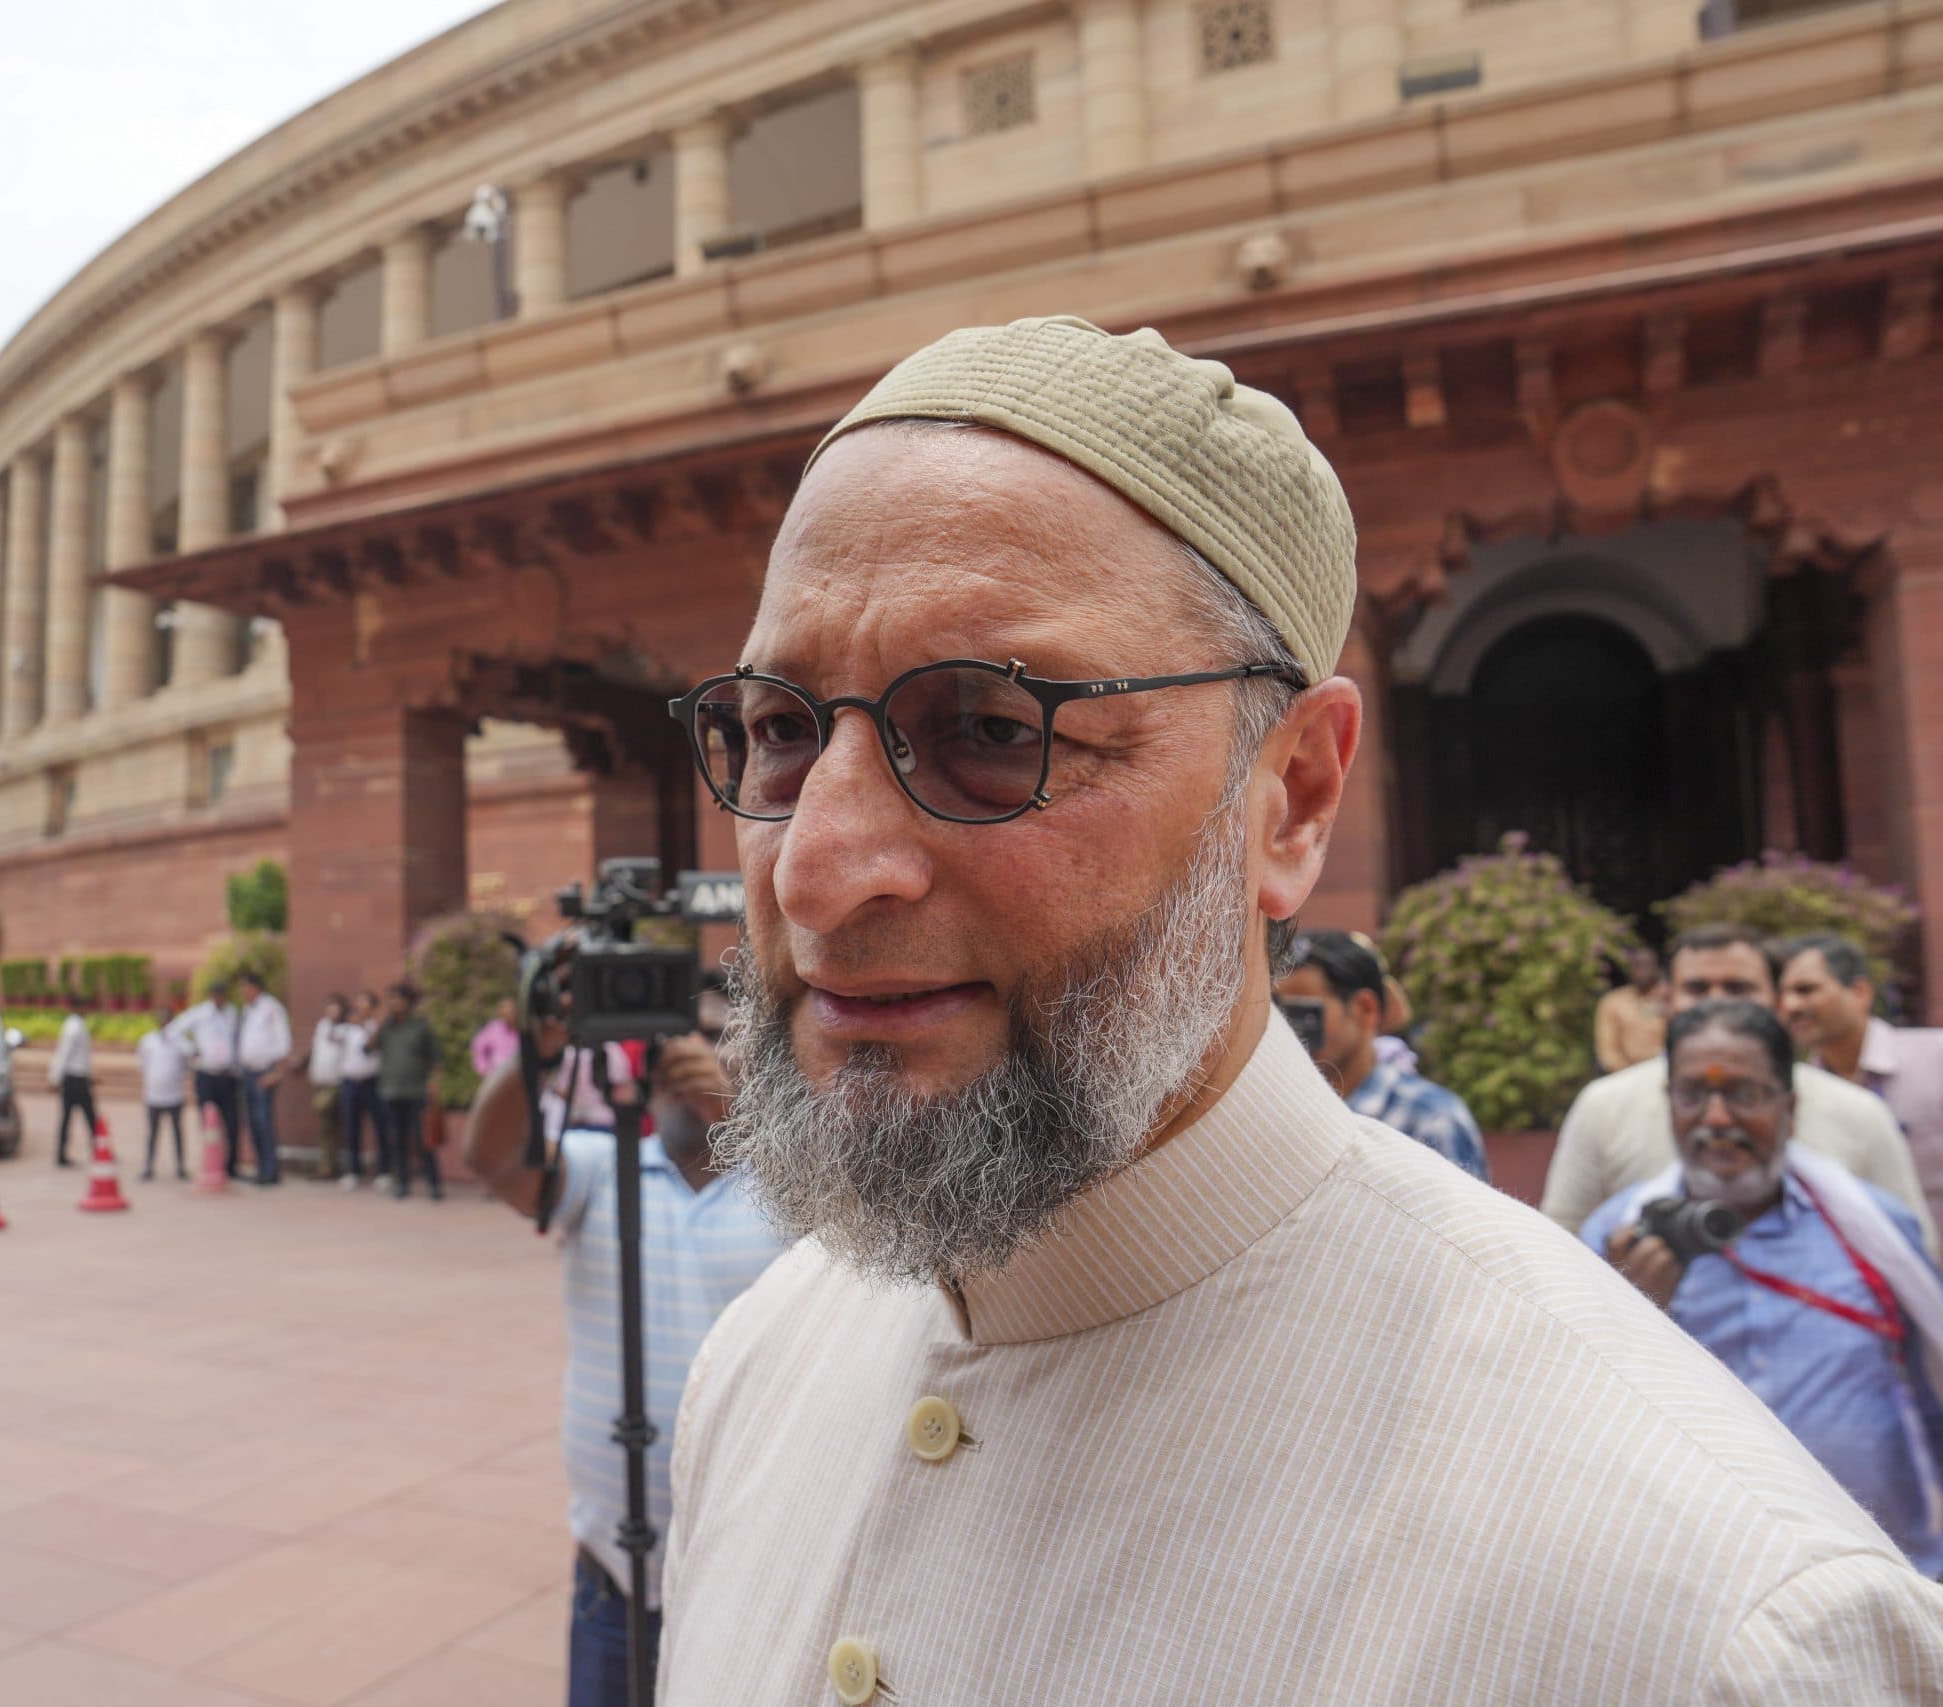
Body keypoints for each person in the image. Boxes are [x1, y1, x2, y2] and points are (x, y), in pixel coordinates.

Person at [654, 317, 1943, 1703]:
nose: (817, 869)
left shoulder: (1711, 1620)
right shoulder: (762, 1364)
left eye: (990, 727)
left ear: (1294, 797)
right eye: (782, 728)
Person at [465, 1017, 789, 1707]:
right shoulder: (599, 1165)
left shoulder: (793, 1185)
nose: (691, 1053)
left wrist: (744, 1116)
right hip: (617, 1579)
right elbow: (489, 1156)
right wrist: (541, 1044)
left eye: (717, 1032)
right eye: (675, 1035)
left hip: (760, 1573)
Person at [1583, 1000, 1943, 1574]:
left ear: (1790, 1109)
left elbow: (1931, 1392)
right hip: (1701, 1584)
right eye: (1693, 1094)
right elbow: (1579, 1425)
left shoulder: (1874, 1231)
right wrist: (1630, 1317)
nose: (1717, 1118)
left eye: (1744, 1095)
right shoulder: (1614, 1244)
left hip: (1887, 1573)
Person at [1539, 924, 1932, 1250]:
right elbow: (1559, 1249)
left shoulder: (1857, 1111)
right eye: (1697, 988)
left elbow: (1909, 1255)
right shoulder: (1605, 1106)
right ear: (1668, 999)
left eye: (1738, 988)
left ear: (1778, 1001)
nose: (1718, 1003)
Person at [1277, 929, 1488, 1181]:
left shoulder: (1432, 1120)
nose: (1288, 1027)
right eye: (1279, 1010)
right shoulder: (1280, 1113)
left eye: (1305, 1013)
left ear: (1364, 1010)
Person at [1783, 931, 1943, 1237]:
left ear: (1859, 993)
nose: (1790, 1005)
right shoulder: (1797, 1095)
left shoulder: (1935, 1060)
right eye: (1784, 992)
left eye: (1806, 990)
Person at [373, 984, 440, 1201]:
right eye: (390, 999)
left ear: (409, 1002)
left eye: (397, 999)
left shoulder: (421, 1027)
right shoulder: (386, 1028)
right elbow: (368, 1048)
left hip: (416, 1091)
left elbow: (436, 1059)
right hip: (391, 1091)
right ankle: (402, 1183)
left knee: (423, 1140)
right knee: (398, 1140)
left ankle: (434, 1184)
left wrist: (434, 1084)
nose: (393, 1003)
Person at [172, 982, 243, 1182]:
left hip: (227, 1075)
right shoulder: (199, 1013)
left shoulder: (232, 1013)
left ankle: (231, 1166)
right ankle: (211, 1162)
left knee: (232, 1122)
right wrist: (192, 1050)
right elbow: (173, 1031)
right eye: (217, 995)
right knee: (208, 1122)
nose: (220, 998)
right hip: (206, 1074)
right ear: (212, 996)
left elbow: (237, 1041)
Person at [233, 969, 293, 1186]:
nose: (242, 991)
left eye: (244, 986)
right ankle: (261, 1168)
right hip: (248, 1072)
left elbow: (283, 1041)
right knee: (253, 1123)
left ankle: (270, 1170)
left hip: (265, 1072)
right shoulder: (248, 1010)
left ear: (255, 987)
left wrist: (276, 1073)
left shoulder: (272, 1008)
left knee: (264, 1121)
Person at [135, 1005, 192, 1182]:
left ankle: (181, 1167)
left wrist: (176, 1037)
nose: (165, 1023)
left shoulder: (180, 1042)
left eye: (169, 1020)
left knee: (177, 1132)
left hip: (174, 1095)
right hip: (154, 1095)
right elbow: (142, 1065)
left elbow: (189, 1057)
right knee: (153, 1133)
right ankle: (148, 1167)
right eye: (163, 1019)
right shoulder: (148, 1041)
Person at [1595, 943, 1668, 1072]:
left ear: (1658, 968)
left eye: (1646, 965)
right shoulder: (1613, 1002)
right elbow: (1608, 1053)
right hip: (1625, 1075)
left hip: (1666, 1072)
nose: (1640, 971)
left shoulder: (1670, 998)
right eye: (1636, 966)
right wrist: (1629, 1075)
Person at [337, 990, 382, 1189]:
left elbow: (375, 1046)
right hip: (350, 1082)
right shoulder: (347, 1028)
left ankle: (385, 1171)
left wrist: (363, 1026)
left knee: (379, 1127)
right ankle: (353, 1171)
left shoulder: (377, 1027)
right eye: (358, 1002)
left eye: (365, 1003)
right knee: (351, 1128)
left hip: (372, 1082)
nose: (360, 1006)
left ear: (372, 1007)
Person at [49, 989, 97, 1167]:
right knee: (82, 1116)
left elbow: (82, 1056)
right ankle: (63, 1154)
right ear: (78, 1007)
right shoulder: (73, 1027)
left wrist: (90, 1075)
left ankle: (95, 1149)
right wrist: (54, 1077)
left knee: (81, 1117)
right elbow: (64, 1054)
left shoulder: (78, 1025)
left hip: (79, 1077)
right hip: (73, 1079)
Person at [305, 993, 350, 1180]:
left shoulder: (347, 1029)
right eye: (329, 1007)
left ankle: (332, 1166)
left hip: (336, 1082)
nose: (332, 1011)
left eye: (335, 1007)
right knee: (325, 1127)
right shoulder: (322, 1026)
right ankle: (328, 1166)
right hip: (320, 1081)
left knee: (331, 1124)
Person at [470, 997, 521, 1084]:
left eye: (511, 1013)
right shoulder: (493, 1029)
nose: (509, 1016)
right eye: (506, 1014)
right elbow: (477, 1047)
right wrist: (484, 1070)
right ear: (501, 1014)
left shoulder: (522, 1030)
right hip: (497, 1077)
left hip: (518, 1077)